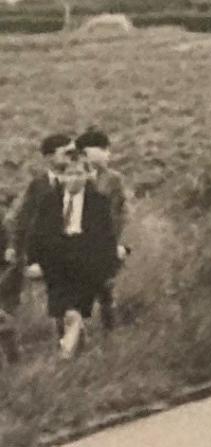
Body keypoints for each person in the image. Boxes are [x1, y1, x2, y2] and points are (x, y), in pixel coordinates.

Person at [27, 155, 119, 359]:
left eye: (79, 173)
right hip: (57, 261)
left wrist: (109, 269)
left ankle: (65, 355)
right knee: (61, 314)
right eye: (69, 174)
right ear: (60, 176)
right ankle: (80, 350)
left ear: (87, 176)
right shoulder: (49, 201)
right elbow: (36, 233)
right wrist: (33, 261)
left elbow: (107, 237)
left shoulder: (99, 202)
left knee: (74, 312)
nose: (74, 179)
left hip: (86, 260)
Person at [2, 132, 77, 356]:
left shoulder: (79, 181)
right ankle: (11, 350)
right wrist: (14, 247)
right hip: (37, 252)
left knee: (67, 304)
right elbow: (23, 218)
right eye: (67, 153)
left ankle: (70, 353)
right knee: (8, 297)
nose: (73, 157)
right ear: (49, 157)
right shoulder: (38, 184)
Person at [74, 129, 130, 329]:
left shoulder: (113, 179)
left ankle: (110, 337)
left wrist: (116, 242)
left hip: (105, 245)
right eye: (103, 149)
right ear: (85, 153)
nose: (108, 154)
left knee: (106, 291)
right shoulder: (71, 178)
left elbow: (121, 212)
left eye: (108, 149)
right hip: (76, 245)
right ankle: (73, 343)